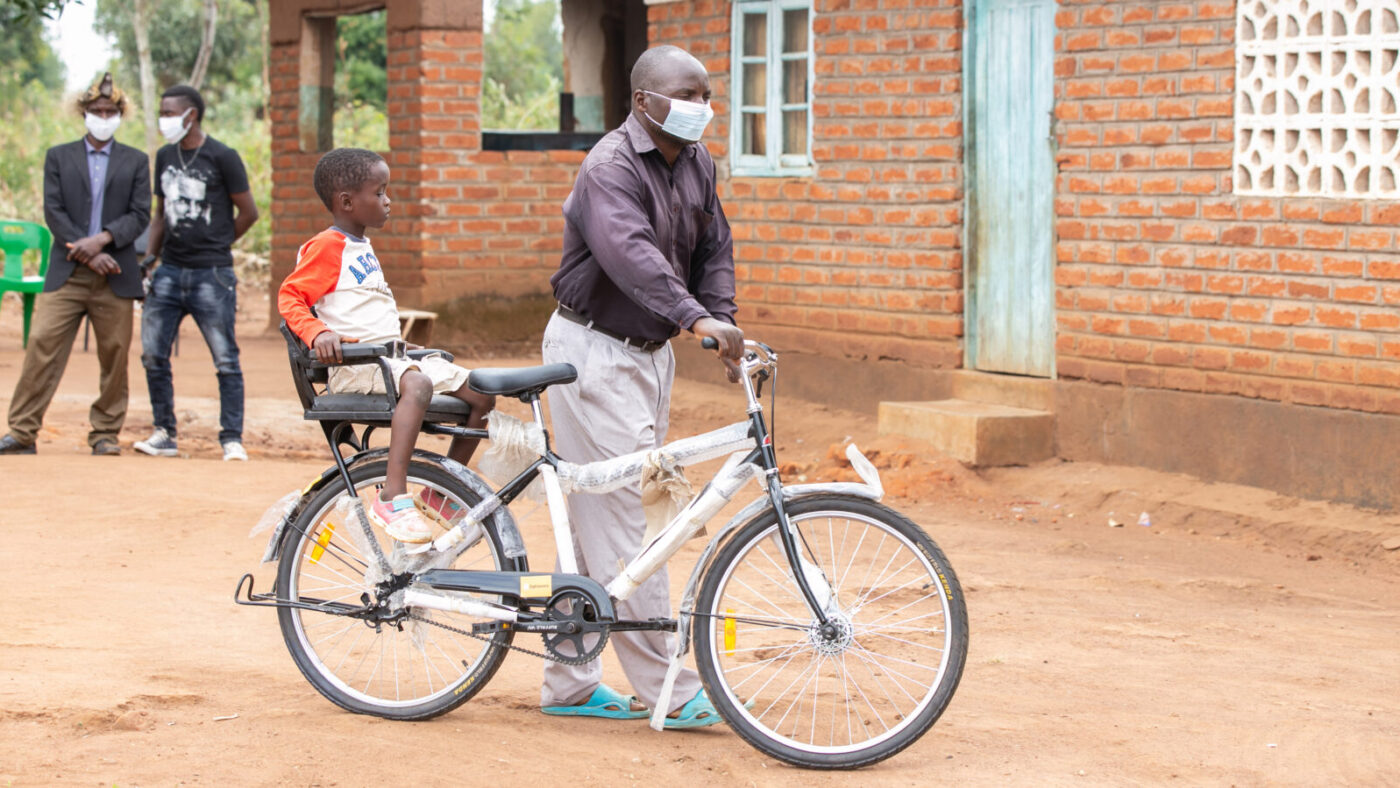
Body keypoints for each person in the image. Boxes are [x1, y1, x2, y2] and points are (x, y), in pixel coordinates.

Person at [538, 46, 745, 727]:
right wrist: (694, 316)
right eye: (688, 94)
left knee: (598, 521)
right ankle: (670, 688)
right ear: (644, 102)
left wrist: (722, 319)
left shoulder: (696, 162)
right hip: (594, 351)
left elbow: (713, 247)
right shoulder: (610, 168)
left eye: (707, 95)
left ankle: (569, 684)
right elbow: (632, 255)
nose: (702, 107)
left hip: (649, 355)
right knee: (632, 521)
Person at [277, 148, 496, 542]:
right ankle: (393, 497)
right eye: (380, 192)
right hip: (356, 367)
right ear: (347, 202)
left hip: (389, 358)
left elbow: (362, 311)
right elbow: (290, 297)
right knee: (418, 385)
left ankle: (438, 490)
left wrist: (405, 347)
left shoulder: (361, 246)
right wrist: (318, 333)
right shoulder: (327, 246)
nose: (388, 200)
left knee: (482, 394)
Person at [0, 73, 150, 457]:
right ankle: (22, 430)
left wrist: (102, 241)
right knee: (41, 344)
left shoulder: (135, 160)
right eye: (97, 110)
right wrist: (86, 252)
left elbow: (139, 215)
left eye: (111, 110)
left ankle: (104, 433)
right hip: (67, 271)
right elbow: (54, 211)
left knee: (114, 353)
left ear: (120, 114)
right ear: (84, 112)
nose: (104, 115)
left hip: (114, 273)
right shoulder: (59, 156)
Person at [134, 85, 259, 461]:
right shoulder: (165, 156)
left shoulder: (223, 156)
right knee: (154, 354)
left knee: (225, 358)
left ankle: (231, 438)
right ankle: (164, 434)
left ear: (191, 115)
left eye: (170, 112)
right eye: (163, 112)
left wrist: (219, 245)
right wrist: (150, 258)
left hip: (212, 274)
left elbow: (249, 213)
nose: (164, 118)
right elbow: (160, 215)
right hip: (169, 270)